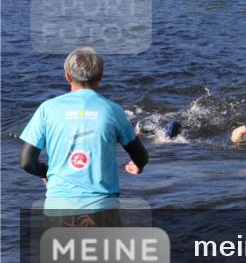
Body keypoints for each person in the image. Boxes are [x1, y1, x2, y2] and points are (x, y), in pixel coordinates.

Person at [19, 47, 149, 226]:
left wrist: (45, 171)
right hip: (102, 209)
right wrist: (138, 165)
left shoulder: (47, 109)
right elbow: (140, 155)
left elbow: (26, 162)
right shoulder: (113, 110)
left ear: (67, 76)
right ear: (101, 77)